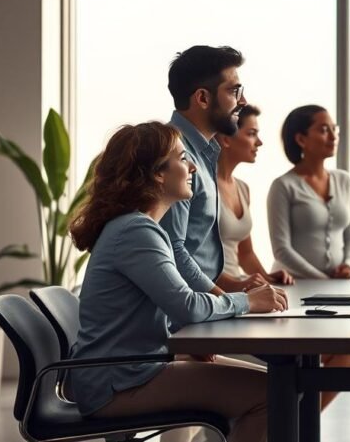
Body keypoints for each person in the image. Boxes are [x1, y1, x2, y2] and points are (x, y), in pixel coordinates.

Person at [68, 122, 288, 442]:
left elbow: (162, 308)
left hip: (125, 371)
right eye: (183, 158)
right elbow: (185, 305)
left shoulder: (138, 228)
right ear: (158, 173)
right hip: (119, 383)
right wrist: (248, 301)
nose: (193, 167)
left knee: (278, 386)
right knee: (272, 395)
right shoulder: (136, 232)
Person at [267, 104, 350, 409]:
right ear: (300, 139)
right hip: (297, 291)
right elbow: (281, 249)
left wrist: (348, 263)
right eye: (323, 129)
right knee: (310, 358)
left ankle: (296, 422)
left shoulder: (344, 180)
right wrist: (323, 281)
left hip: (339, 290)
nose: (332, 135)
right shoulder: (283, 187)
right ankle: (291, 425)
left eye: (333, 129)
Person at [161, 45, 268, 299]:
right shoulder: (172, 154)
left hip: (202, 308)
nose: (242, 101)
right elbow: (173, 252)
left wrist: (236, 290)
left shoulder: (204, 154)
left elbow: (198, 254)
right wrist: (236, 301)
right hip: (180, 322)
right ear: (203, 98)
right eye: (234, 91)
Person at [216, 104, 294, 286]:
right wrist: (240, 286)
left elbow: (245, 253)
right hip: (215, 292)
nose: (259, 142)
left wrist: (267, 278)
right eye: (251, 134)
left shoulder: (242, 188)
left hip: (238, 289)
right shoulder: (204, 186)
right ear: (226, 139)